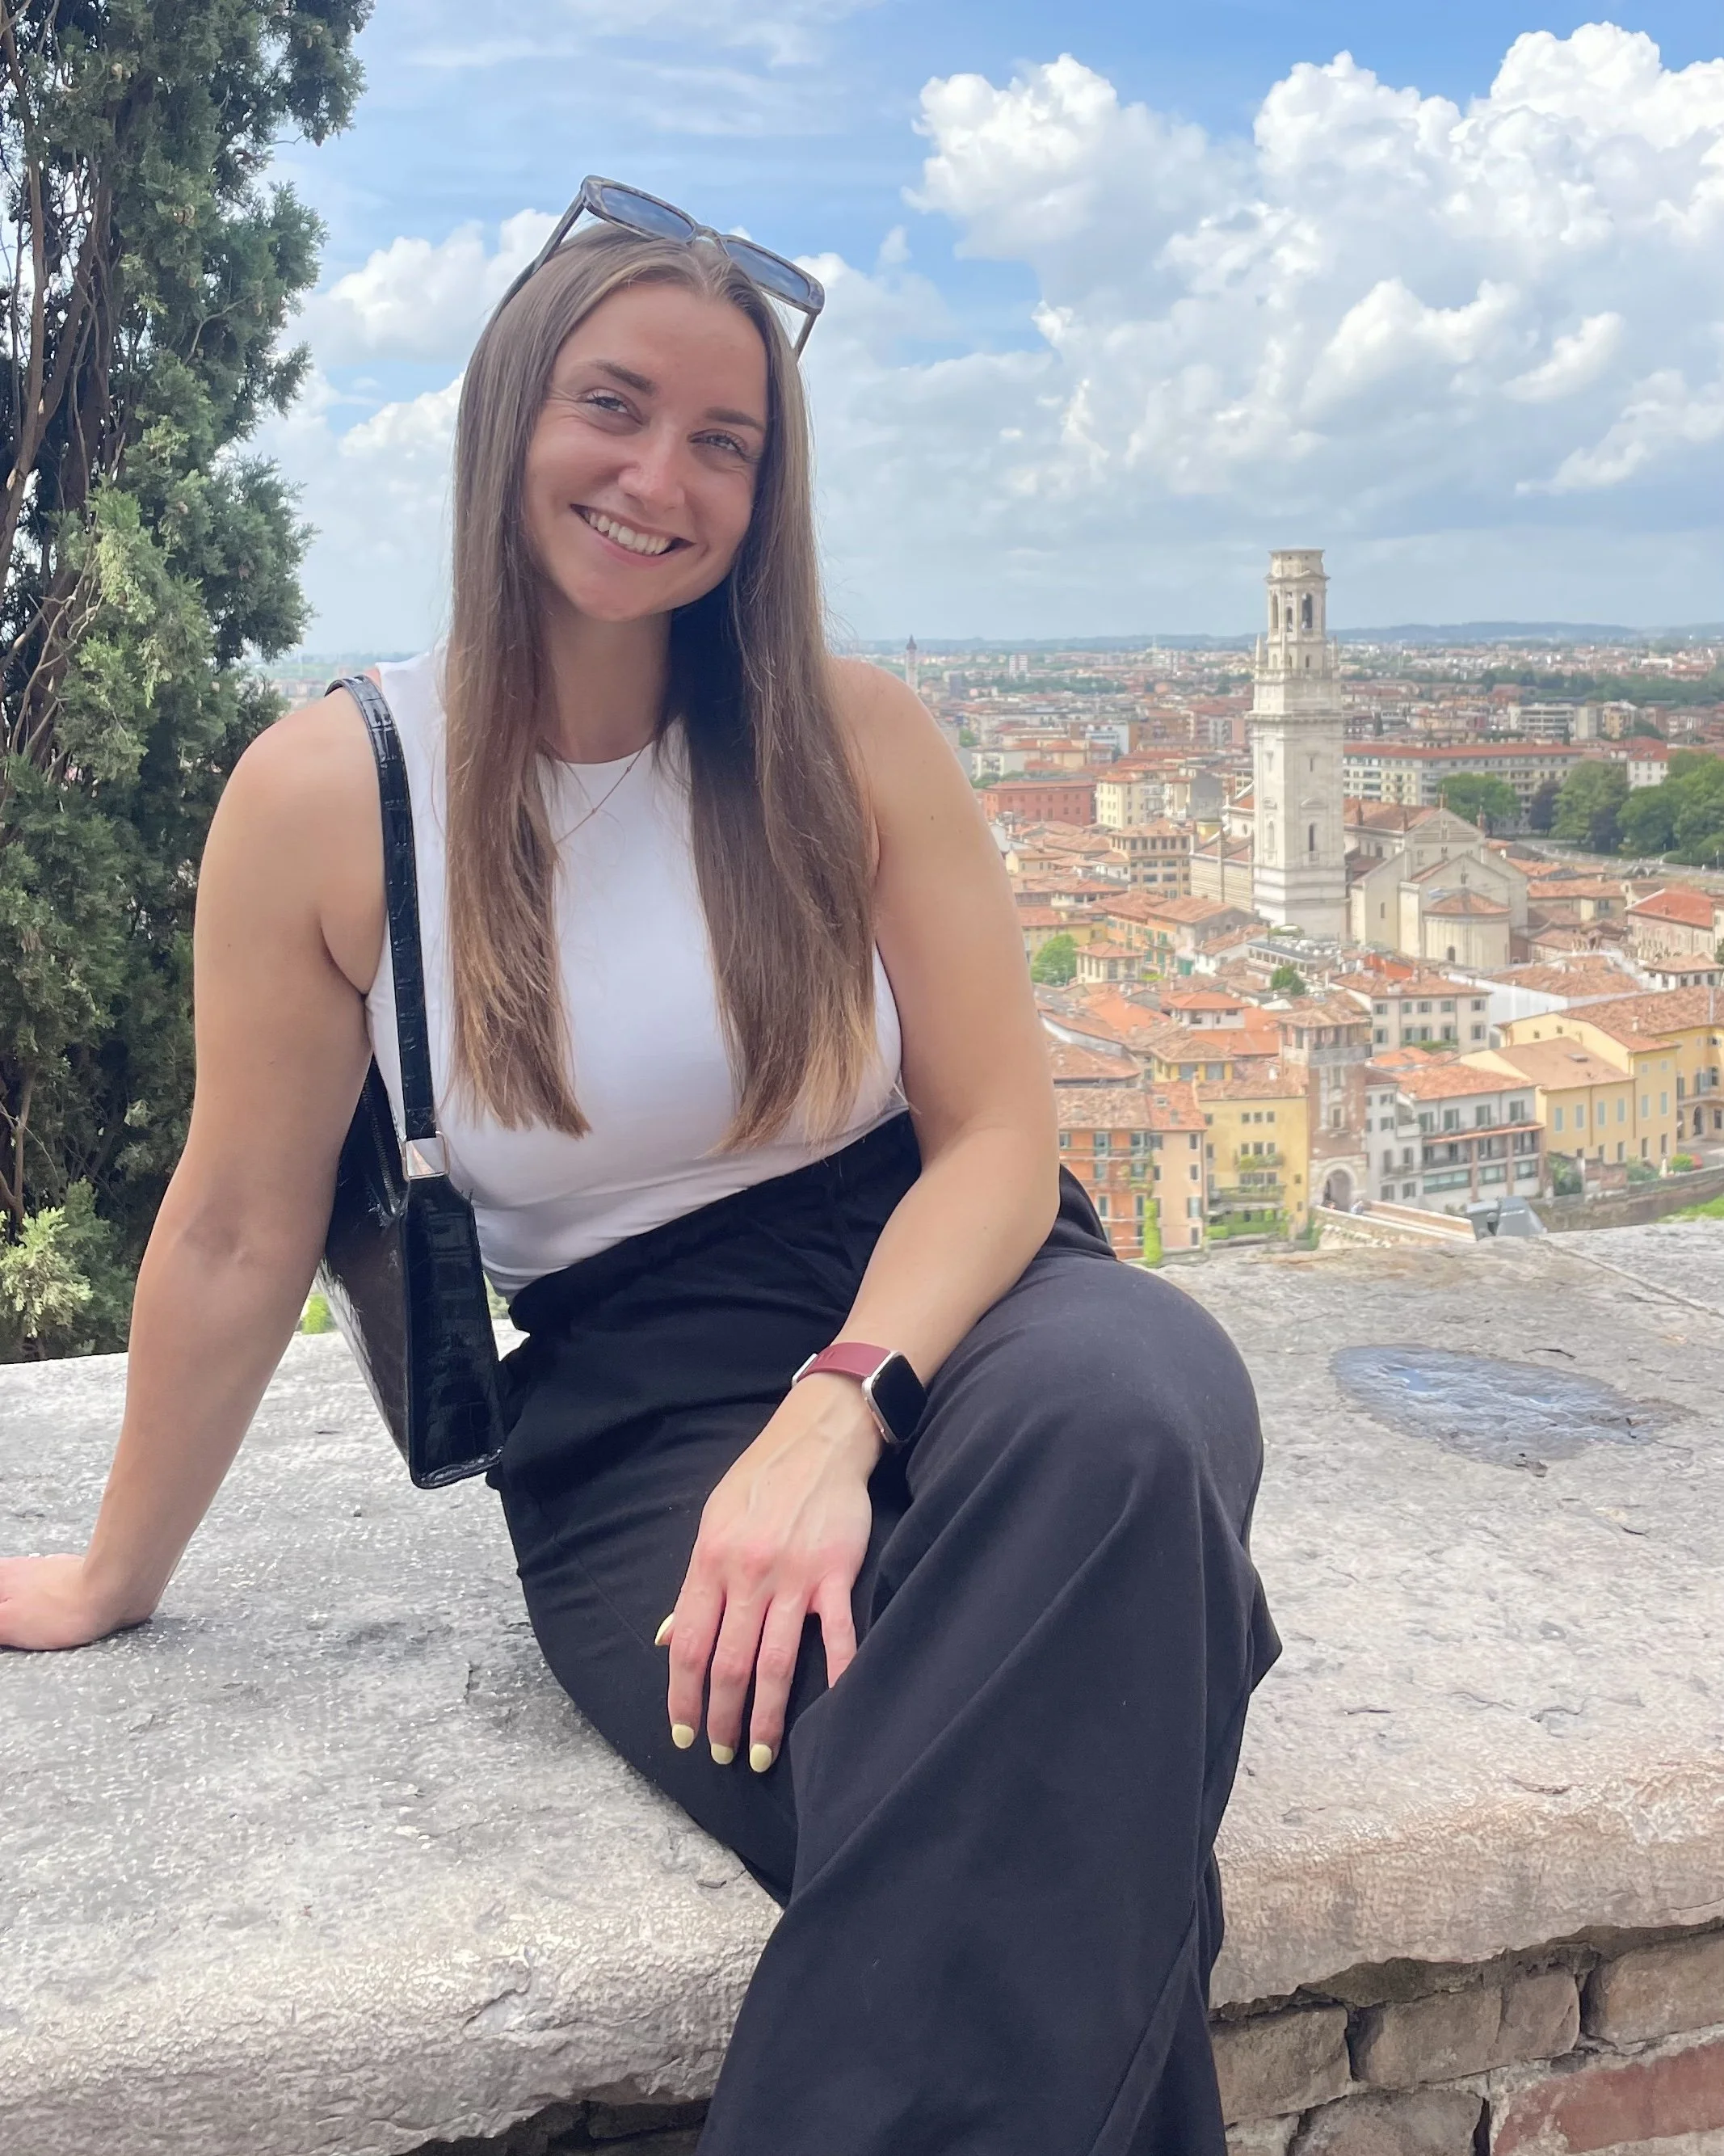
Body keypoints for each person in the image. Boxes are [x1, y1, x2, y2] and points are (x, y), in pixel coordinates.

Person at [0, 191, 1281, 2154]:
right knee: (1069, 1777)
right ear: (509, 413)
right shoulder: (331, 795)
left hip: (962, 1289)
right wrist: (112, 1571)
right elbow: (245, 1216)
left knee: (1136, 1411)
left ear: (767, 493)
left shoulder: (852, 737)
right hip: (632, 1406)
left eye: (723, 441)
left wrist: (839, 1409)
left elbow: (1001, 1137)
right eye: (613, 405)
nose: (658, 477)